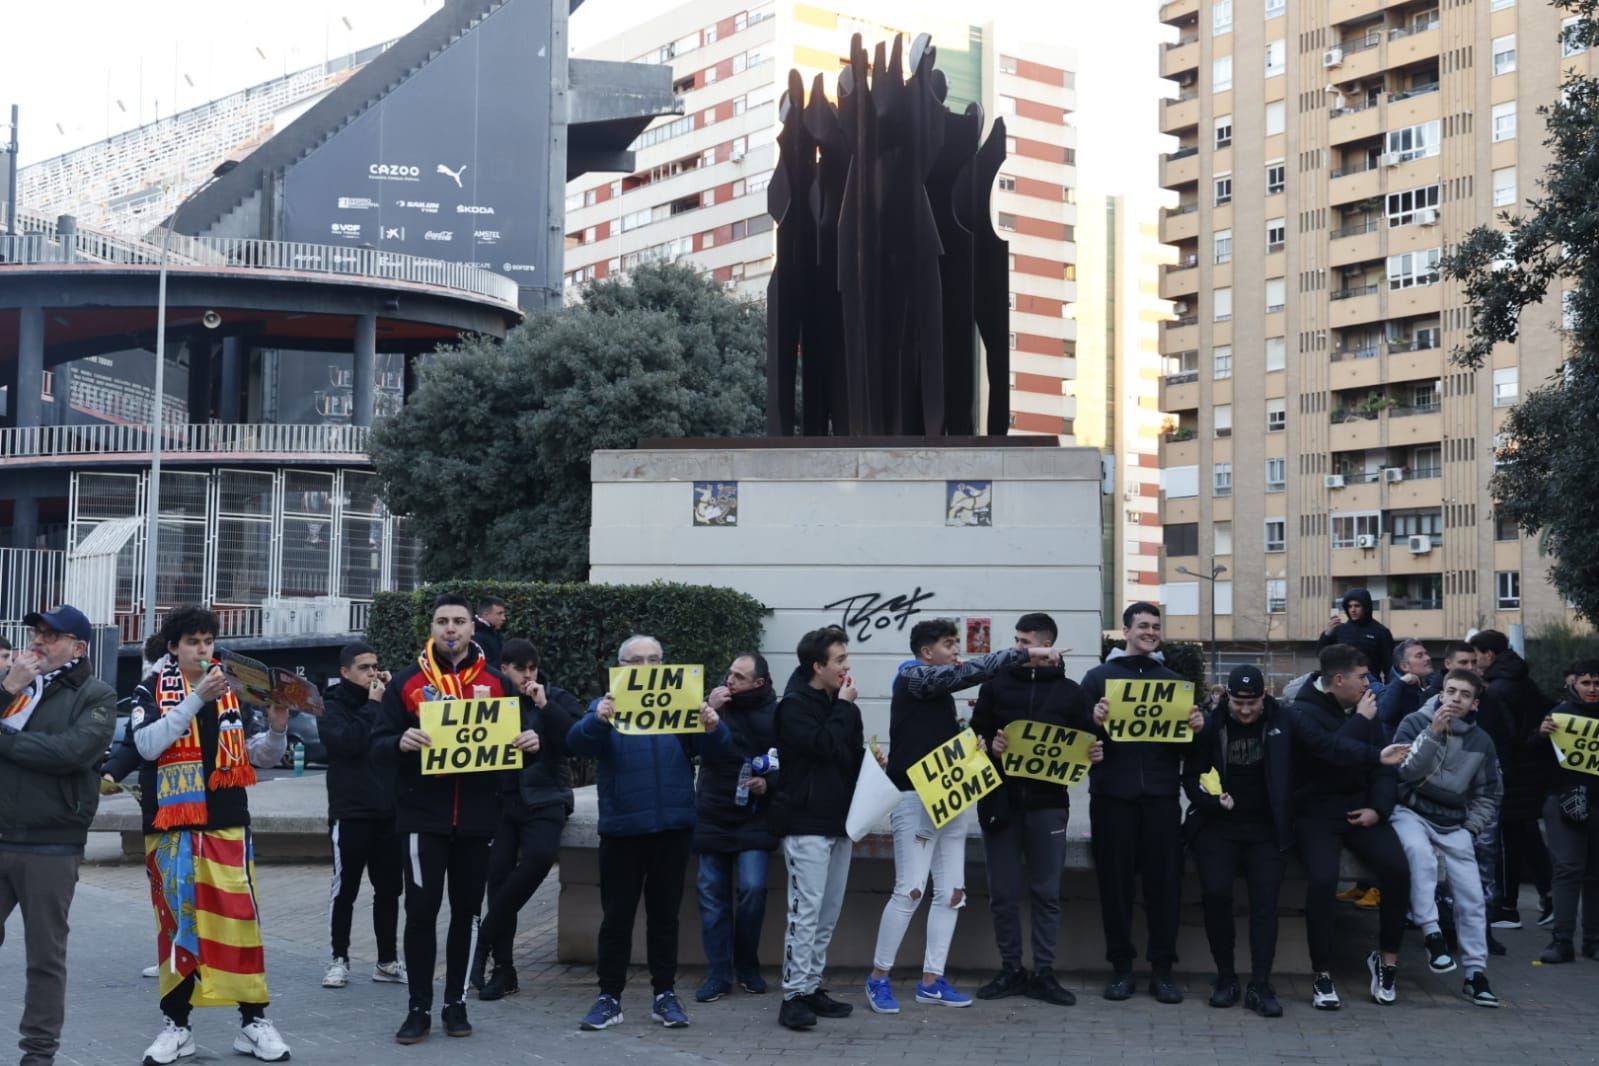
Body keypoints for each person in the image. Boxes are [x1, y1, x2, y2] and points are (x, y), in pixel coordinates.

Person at [866, 618, 1059, 1015]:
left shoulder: (936, 686)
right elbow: (971, 672)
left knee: (952, 894)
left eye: (957, 643)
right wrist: (1023, 654)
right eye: (949, 644)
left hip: (950, 798)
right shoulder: (913, 677)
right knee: (911, 891)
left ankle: (931, 982)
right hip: (915, 799)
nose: (957, 651)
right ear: (926, 653)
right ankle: (878, 978)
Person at [134, 606, 292, 1064]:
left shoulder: (232, 692)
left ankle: (253, 1021)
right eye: (193, 643)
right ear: (173, 647)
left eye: (208, 642)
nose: (203, 650)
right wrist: (195, 698)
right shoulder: (151, 688)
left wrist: (278, 731)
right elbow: (146, 744)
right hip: (170, 826)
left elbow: (256, 757)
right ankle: (177, 1025)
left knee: (239, 921)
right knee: (177, 924)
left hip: (225, 823)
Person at [372, 594, 531, 1044]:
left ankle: (455, 1004)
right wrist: (398, 741)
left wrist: (529, 745)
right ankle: (418, 1008)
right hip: (422, 818)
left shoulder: (499, 684)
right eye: (442, 621)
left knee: (466, 914)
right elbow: (377, 745)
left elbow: (519, 747)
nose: (451, 629)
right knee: (421, 912)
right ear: (433, 628)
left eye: (459, 621)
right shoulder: (406, 683)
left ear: (471, 629)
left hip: (479, 820)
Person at [567, 635, 731, 1032]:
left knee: (664, 918)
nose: (646, 666)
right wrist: (598, 719)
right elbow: (576, 742)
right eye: (636, 660)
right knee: (616, 919)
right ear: (621, 667)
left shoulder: (681, 704)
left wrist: (714, 727)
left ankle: (665, 995)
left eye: (654, 659)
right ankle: (609, 997)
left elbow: (718, 753)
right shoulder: (607, 705)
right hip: (624, 830)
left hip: (672, 828)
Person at [0, 605, 116, 1066]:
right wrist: (6, 689)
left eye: (51, 635)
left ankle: (39, 1054)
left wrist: (4, 741)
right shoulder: (14, 686)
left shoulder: (97, 695)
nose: (38, 642)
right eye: (36, 633)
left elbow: (70, 752)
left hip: (51, 844)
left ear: (78, 647)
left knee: (44, 960)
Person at [1080, 602, 1205, 1005]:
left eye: (1156, 626)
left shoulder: (1173, 681)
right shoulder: (1097, 678)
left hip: (1161, 798)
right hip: (1112, 797)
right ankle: (1121, 969)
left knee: (1164, 888)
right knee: (1114, 888)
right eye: (1143, 626)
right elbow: (1074, 739)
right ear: (1126, 630)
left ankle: (1163, 971)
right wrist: (1092, 721)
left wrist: (1198, 728)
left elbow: (1192, 748)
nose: (1151, 632)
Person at [969, 612, 1096, 1007]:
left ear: (1046, 646)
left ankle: (1044, 972)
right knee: (1002, 893)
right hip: (1001, 804)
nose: (1017, 648)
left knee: (1047, 892)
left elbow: (1088, 745)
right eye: (1017, 641)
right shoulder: (996, 685)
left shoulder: (1072, 693)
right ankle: (1010, 969)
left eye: (1025, 642)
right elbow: (976, 734)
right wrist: (990, 745)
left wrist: (1095, 751)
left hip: (1048, 807)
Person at [1290, 643, 1411, 1009]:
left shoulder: (1367, 707)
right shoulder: (1300, 712)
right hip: (1316, 815)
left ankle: (1387, 960)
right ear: (1338, 679)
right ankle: (1322, 973)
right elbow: (1327, 755)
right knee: (1323, 880)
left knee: (1396, 868)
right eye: (1362, 677)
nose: (1367, 684)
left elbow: (1384, 767)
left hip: (1362, 812)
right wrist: (1360, 720)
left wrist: (1378, 808)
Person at [770, 626, 869, 1031]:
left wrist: (870, 758)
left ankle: (812, 985)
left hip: (840, 822)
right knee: (804, 912)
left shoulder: (845, 707)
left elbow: (847, 755)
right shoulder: (793, 707)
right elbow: (821, 747)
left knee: (827, 913)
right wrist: (845, 709)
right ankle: (793, 995)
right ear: (818, 666)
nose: (847, 667)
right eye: (840, 660)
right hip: (805, 823)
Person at [471, 638, 581, 1000]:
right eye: (521, 669)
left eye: (533, 668)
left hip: (546, 797)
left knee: (538, 858)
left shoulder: (555, 697)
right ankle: (504, 970)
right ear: (504, 669)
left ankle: (484, 937)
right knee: (498, 878)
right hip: (502, 801)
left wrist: (545, 713)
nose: (529, 675)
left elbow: (576, 742)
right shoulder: (490, 698)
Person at [1181, 666, 1291, 1018]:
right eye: (1238, 702)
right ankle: (1225, 977)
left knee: (1265, 903)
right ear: (1227, 696)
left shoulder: (1283, 721)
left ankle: (1260, 983)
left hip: (1265, 830)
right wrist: (1212, 803)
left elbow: (1319, 753)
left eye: (1253, 702)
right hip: (1218, 827)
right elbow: (1190, 778)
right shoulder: (1211, 726)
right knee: (1215, 895)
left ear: (1264, 696)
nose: (1245, 710)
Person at [1389, 668, 1501, 1006]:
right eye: (1450, 691)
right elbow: (1405, 772)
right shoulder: (1413, 722)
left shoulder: (1482, 742)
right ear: (1441, 693)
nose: (1455, 699)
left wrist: (1471, 828)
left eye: (1464, 695)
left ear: (1474, 703)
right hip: (1409, 811)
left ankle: (1475, 973)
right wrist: (1433, 732)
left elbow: (1490, 793)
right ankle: (1431, 933)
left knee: (1472, 895)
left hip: (1454, 823)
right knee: (1419, 856)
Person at [692, 653, 780, 1003]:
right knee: (711, 896)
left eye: (739, 677)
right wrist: (707, 713)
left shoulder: (775, 713)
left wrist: (768, 783)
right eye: (728, 673)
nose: (729, 681)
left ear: (759, 683)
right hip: (713, 810)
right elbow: (696, 749)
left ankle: (747, 965)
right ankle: (718, 972)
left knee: (753, 889)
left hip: (754, 817)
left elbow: (786, 759)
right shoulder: (713, 706)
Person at [318, 642, 404, 989]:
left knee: (388, 891)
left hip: (388, 812)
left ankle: (387, 961)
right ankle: (339, 959)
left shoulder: (385, 700)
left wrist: (392, 694)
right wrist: (373, 705)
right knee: (345, 890)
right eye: (364, 667)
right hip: (350, 811)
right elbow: (347, 743)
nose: (372, 673)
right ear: (345, 672)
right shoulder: (330, 705)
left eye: (375, 666)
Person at [1469, 630, 1554, 930]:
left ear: (1489, 654)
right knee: (1527, 837)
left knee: (1508, 844)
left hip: (1512, 774)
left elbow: (1503, 737)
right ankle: (1549, 897)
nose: (1476, 662)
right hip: (1531, 771)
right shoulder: (1521, 679)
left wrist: (1497, 777)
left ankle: (1507, 907)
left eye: (1477, 655)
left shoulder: (1497, 689)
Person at [1535, 660, 1599, 962]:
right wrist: (1541, 737)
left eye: (1597, 684)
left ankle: (1592, 940)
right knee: (1568, 870)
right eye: (1586, 683)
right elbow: (1532, 759)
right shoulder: (1557, 716)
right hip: (1562, 801)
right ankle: (1562, 941)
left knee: (1595, 874)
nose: (1592, 689)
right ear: (1574, 683)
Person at [1377, 640, 1436, 736]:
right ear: (1405, 666)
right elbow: (1384, 713)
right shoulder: (1397, 690)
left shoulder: (1433, 684)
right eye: (1419, 656)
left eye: (1426, 654)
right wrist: (1400, 682)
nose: (1428, 658)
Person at [474, 597, 507, 669]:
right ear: (486, 615)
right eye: (499, 614)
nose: (503, 618)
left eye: (503, 614)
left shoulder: (493, 633)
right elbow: (485, 668)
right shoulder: (476, 637)